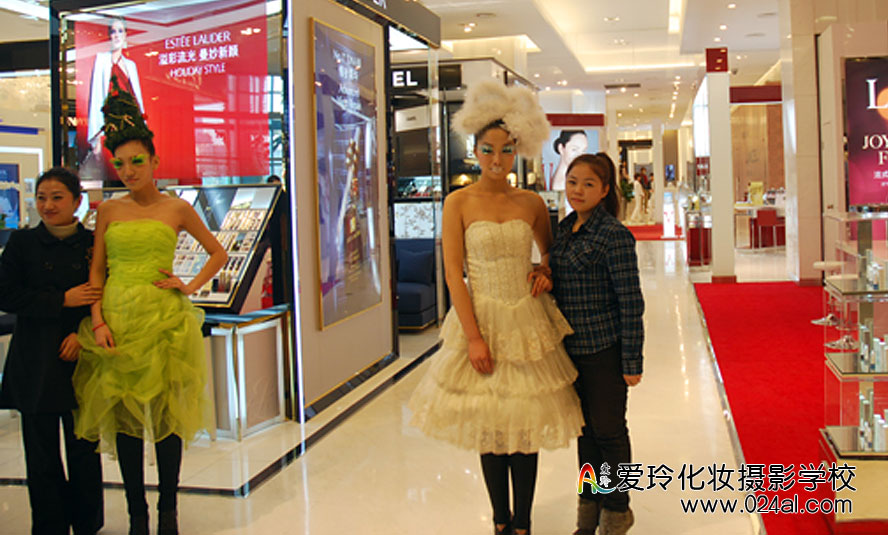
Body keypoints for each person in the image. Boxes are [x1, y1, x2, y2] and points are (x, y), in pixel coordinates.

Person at [408, 80, 584, 535]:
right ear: (475, 151)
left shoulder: (531, 202)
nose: (497, 160)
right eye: (487, 150)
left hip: (527, 322)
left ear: (517, 151)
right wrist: (473, 337)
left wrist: (544, 271)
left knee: (524, 426)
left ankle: (524, 522)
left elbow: (551, 253)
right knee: (491, 425)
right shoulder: (457, 202)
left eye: (506, 151)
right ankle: (500, 520)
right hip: (481, 317)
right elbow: (453, 274)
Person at [72, 77, 227, 535]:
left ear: (155, 161)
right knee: (124, 421)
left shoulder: (177, 208)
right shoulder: (108, 211)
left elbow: (217, 253)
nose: (128, 170)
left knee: (166, 418)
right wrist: (98, 320)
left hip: (163, 318)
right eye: (120, 163)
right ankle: (136, 514)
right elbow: (97, 271)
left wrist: (188, 285)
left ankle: (167, 511)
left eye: (137, 160)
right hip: (118, 317)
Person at [0, 167, 104, 535]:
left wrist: (83, 334)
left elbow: (107, 296)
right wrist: (61, 299)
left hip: (81, 357)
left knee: (84, 448)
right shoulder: (21, 243)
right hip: (35, 358)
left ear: (77, 201)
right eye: (41, 197)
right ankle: (49, 525)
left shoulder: (94, 243)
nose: (48, 205)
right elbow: (6, 294)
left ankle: (87, 522)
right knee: (40, 453)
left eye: (57, 197)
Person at [549, 153, 644, 535]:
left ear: (604, 190)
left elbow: (631, 301)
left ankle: (618, 512)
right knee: (585, 435)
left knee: (609, 433)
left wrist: (632, 360)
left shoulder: (614, 235)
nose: (578, 190)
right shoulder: (563, 229)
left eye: (588, 184)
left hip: (604, 349)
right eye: (573, 182)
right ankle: (589, 514)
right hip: (569, 351)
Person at [87, 16, 144, 159]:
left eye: (120, 31)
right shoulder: (101, 60)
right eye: (113, 31)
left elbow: (137, 99)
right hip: (110, 123)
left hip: (130, 123)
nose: (117, 35)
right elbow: (96, 97)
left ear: (125, 34)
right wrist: (97, 133)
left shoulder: (130, 65)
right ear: (109, 35)